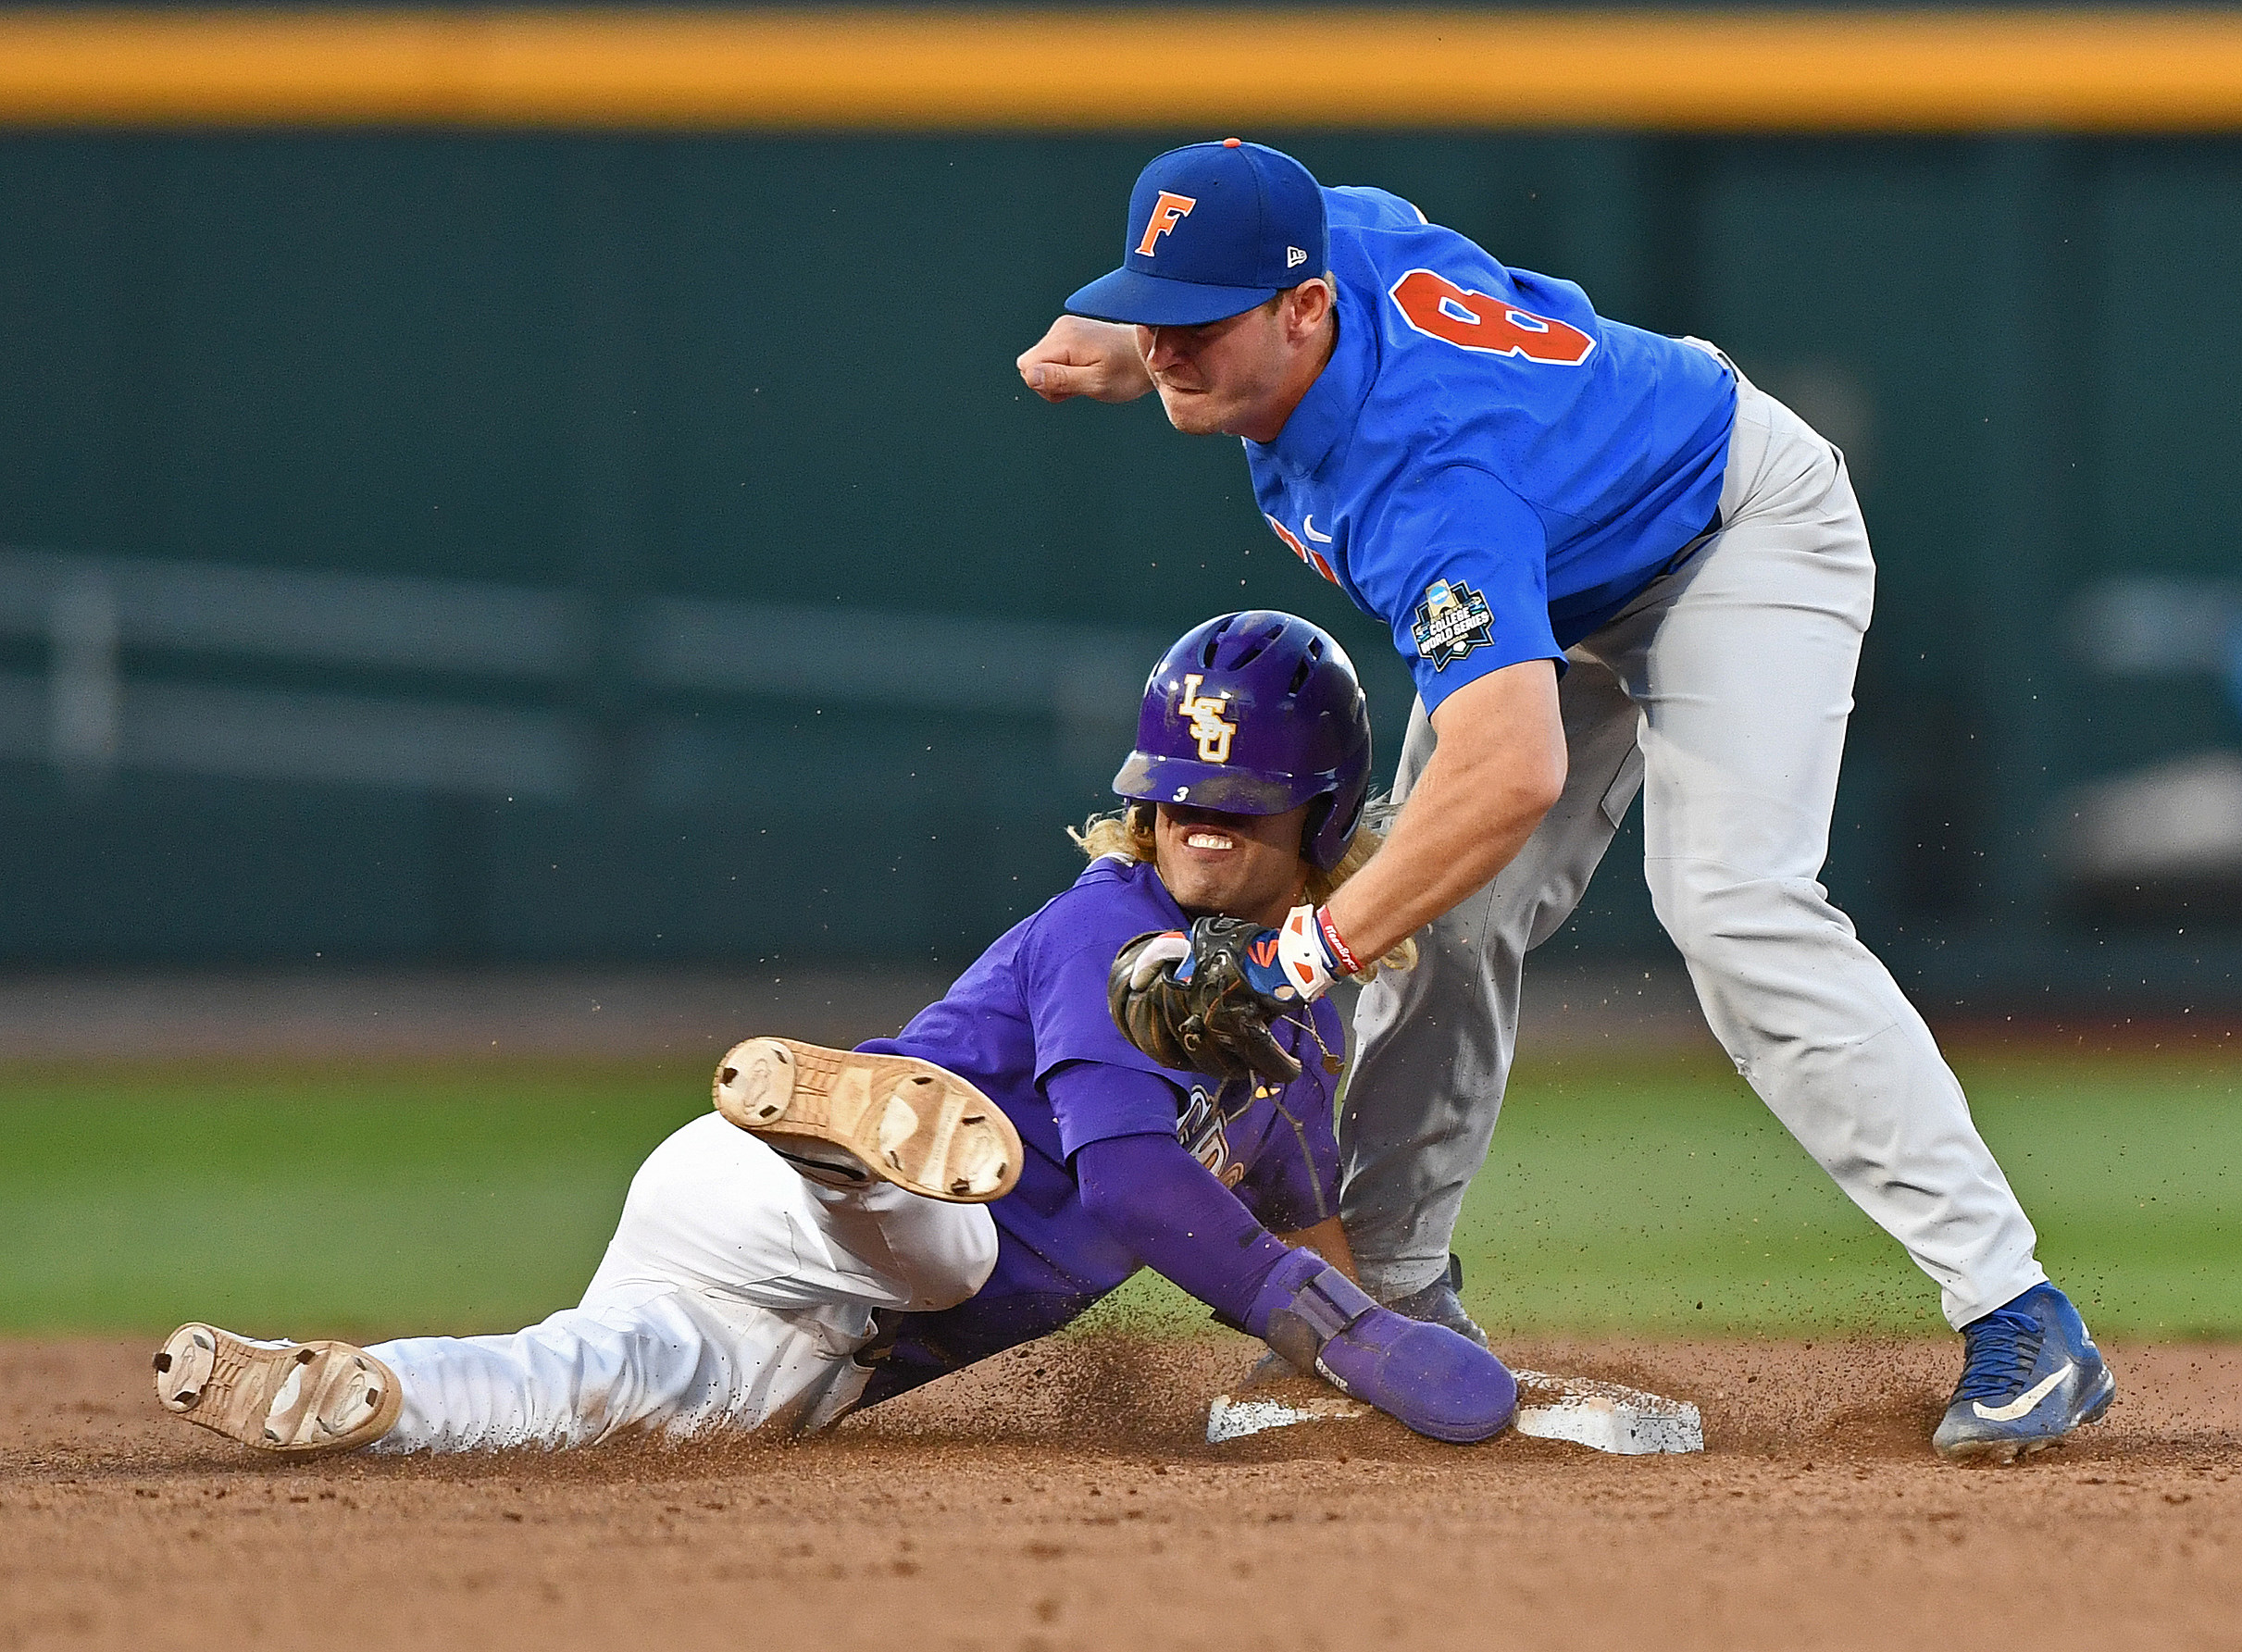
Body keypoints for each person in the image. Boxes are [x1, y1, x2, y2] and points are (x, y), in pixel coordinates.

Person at [1018, 139, 2111, 1463]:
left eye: (1199, 320)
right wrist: (1150, 326)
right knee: (1447, 912)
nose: (1169, 343)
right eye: (1154, 307)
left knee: (1730, 904)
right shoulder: (1322, 251)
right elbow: (1270, 260)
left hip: (1732, 529)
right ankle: (1396, 1296)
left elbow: (1513, 767)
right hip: (1568, 560)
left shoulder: (1421, 472)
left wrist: (1308, 951)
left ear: (1305, 310)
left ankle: (2019, 1307)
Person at [152, 611, 1516, 1458]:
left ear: (1328, 824)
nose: (1200, 825)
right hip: (833, 1214)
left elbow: (1298, 1210)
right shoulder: (1116, 929)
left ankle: (338, 1388)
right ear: (1144, 813)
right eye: (1181, 799)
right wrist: (1345, 1338)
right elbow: (1130, 1182)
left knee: (583, 1386)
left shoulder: (1294, 1025)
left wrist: (1367, 1361)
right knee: (955, 1233)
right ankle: (845, 1136)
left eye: (1243, 803)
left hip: (792, 1315)